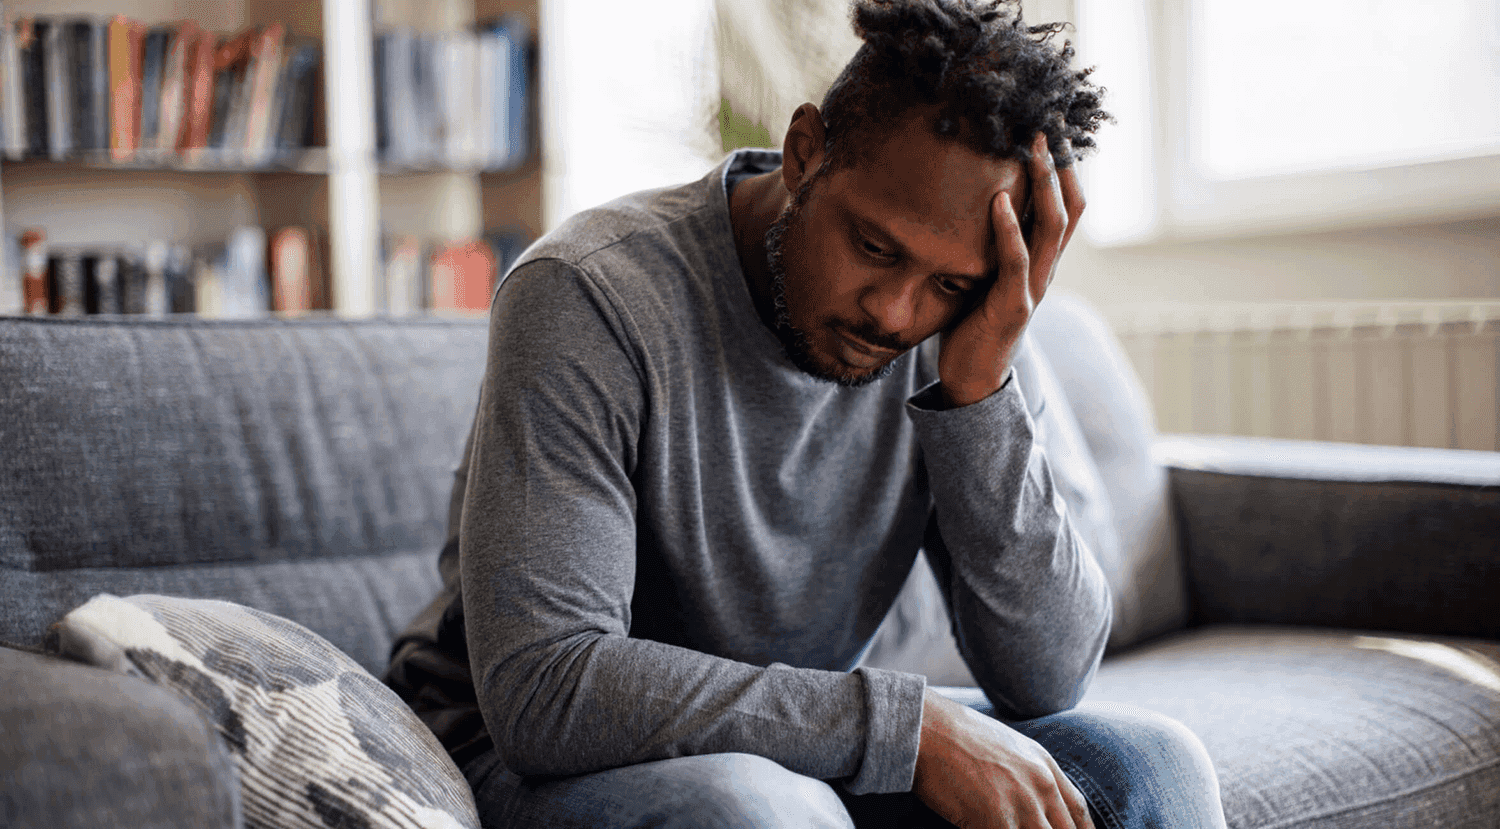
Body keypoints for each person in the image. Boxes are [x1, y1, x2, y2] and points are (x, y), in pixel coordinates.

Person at [386, 1, 1229, 826]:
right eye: (874, 247)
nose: (897, 314)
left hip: (798, 751)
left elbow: (1048, 677)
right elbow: (546, 690)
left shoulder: (970, 328)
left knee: (1148, 765)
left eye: (948, 283)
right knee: (760, 807)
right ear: (803, 154)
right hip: (522, 758)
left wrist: (979, 392)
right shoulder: (590, 293)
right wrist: (908, 729)